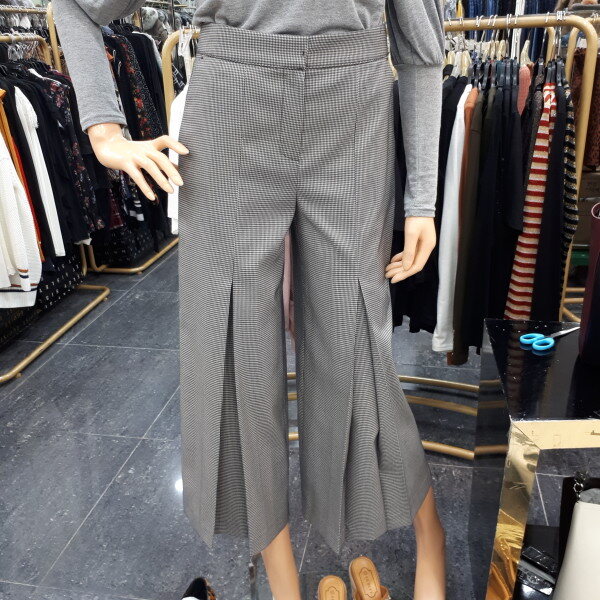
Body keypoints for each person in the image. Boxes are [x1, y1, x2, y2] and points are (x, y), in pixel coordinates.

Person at [53, 2, 447, 599]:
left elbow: (420, 49)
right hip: (230, 108)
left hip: (353, 110)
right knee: (239, 359)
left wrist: (422, 198)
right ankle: (284, 584)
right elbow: (78, 6)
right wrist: (104, 127)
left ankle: (431, 537)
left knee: (359, 350)